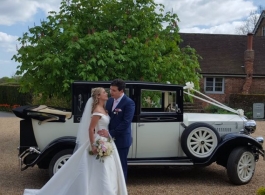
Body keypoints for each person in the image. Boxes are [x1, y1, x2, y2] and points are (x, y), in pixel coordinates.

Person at [23, 87, 127, 195]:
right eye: (104, 92)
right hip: (99, 141)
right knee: (102, 167)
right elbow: (91, 129)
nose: (107, 93)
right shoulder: (97, 110)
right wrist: (93, 146)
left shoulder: (104, 108)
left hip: (106, 140)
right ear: (98, 96)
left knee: (109, 168)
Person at [98, 79, 135, 182]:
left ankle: (122, 190)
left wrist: (110, 133)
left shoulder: (129, 103)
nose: (111, 92)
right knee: (110, 165)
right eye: (110, 90)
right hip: (107, 140)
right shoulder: (109, 101)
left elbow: (126, 122)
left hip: (121, 140)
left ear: (121, 91)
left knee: (121, 165)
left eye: (114, 90)